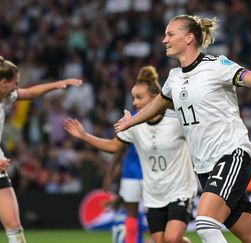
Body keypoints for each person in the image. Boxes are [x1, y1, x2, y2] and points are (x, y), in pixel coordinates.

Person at [114, 15, 251, 243]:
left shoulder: (216, 66)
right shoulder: (174, 78)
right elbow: (159, 103)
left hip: (231, 155)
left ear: (189, 38)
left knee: (205, 225)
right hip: (204, 167)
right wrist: (133, 121)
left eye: (170, 34)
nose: (164, 40)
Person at [0, 56, 82, 243]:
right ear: (2, 83)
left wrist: (58, 84)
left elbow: (29, 93)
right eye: (15, 83)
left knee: (15, 230)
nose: (16, 88)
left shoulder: (4, 96)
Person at [64, 65, 197, 243]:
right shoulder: (132, 123)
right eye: (133, 97)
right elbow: (113, 147)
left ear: (155, 97)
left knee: (172, 238)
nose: (134, 102)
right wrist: (83, 136)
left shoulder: (177, 119)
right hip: (153, 194)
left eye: (139, 97)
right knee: (162, 240)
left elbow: (200, 136)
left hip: (180, 190)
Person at [103, 144, 145, 243]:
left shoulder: (126, 128)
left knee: (131, 215)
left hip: (130, 173)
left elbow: (117, 149)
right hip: (151, 173)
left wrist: (109, 176)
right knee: (156, 216)